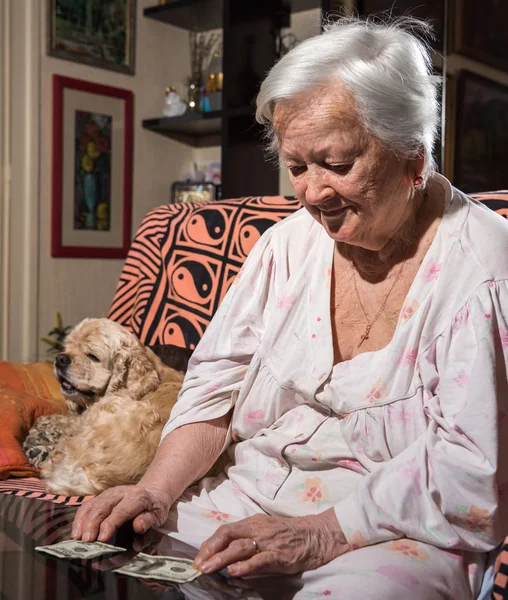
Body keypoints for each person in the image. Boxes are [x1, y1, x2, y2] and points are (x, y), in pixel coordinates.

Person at [71, 16, 508, 599]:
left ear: (412, 152)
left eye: (337, 163)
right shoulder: (286, 243)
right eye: (298, 167)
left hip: (391, 536)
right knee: (108, 564)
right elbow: (214, 388)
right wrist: (154, 490)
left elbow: (473, 472)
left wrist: (320, 535)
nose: (312, 192)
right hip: (247, 503)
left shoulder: (482, 269)